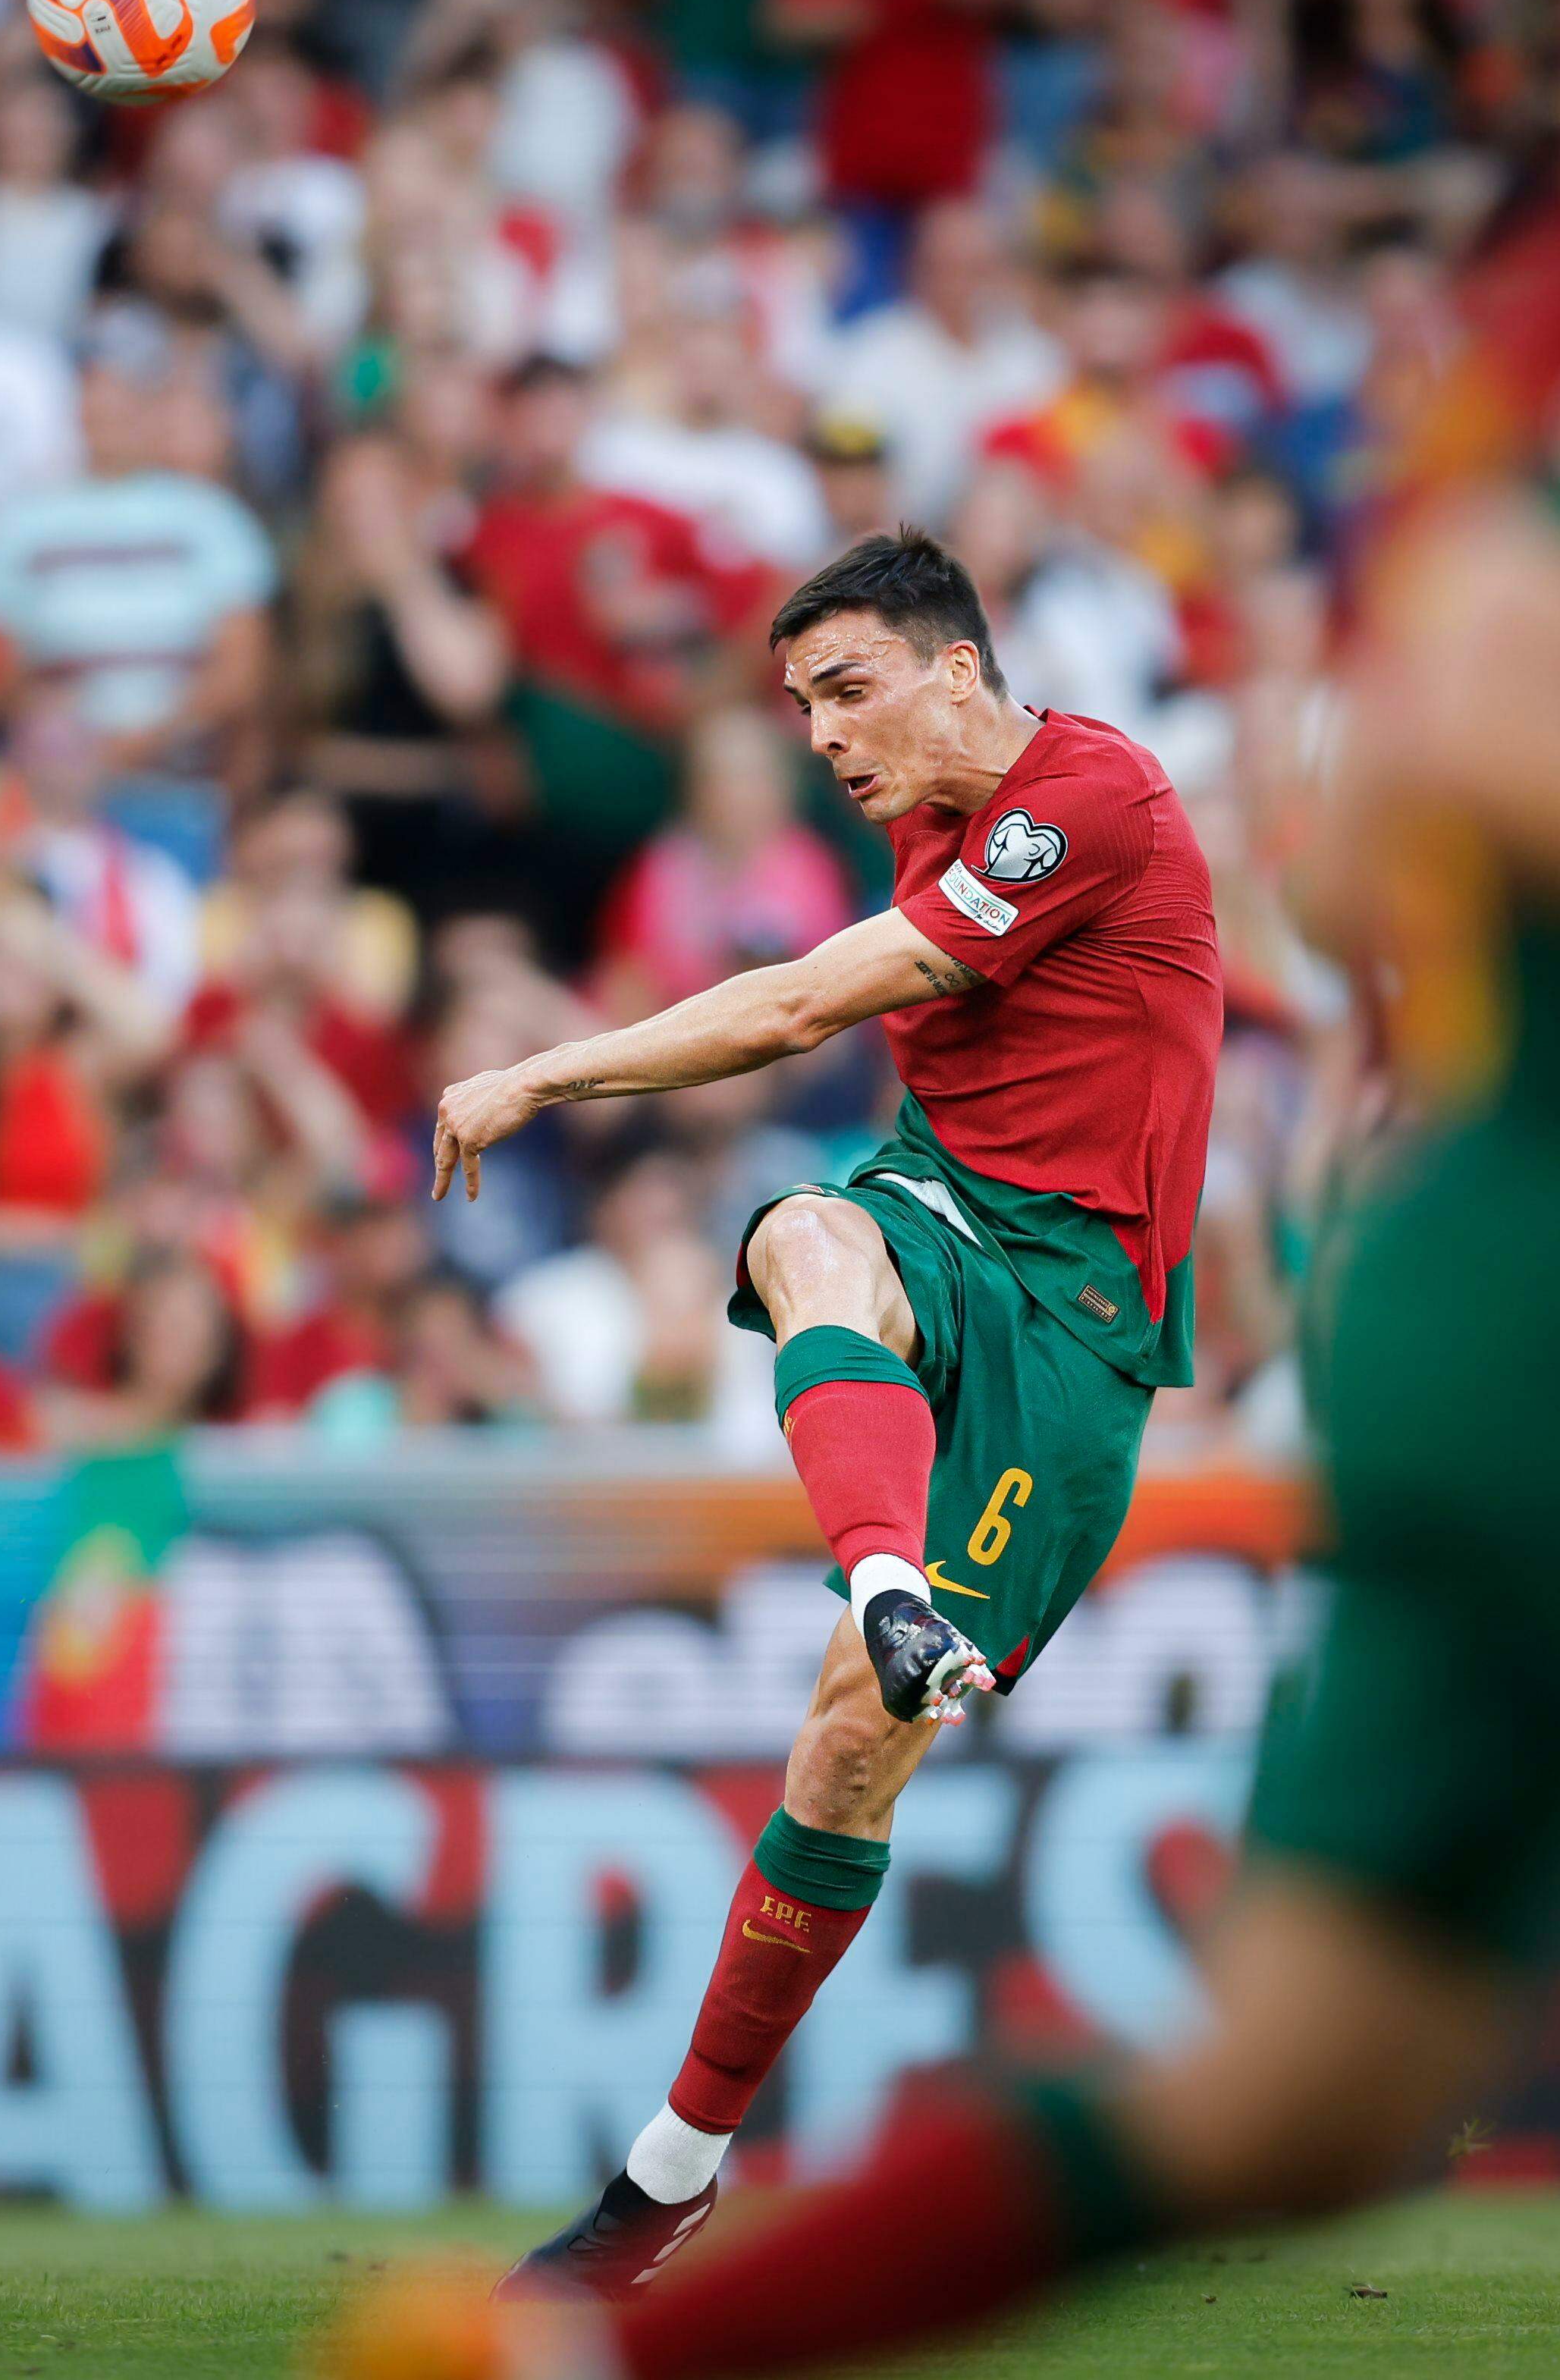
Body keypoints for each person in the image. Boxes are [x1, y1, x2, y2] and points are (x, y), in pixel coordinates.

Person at [330, 0, 1560, 2379]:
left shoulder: (1516, 353)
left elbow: (1365, 800)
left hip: (1315, 1302)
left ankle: (566, 2341)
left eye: (853, 693)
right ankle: (847, 1648)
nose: (835, 741)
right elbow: (1490, 710)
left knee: (1296, 2090)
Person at [428, 526, 1224, 2294]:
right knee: (797, 1229)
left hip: (1079, 1325)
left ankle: (664, 2179)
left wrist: (541, 1070)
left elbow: (796, 1005)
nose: (821, 739)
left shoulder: (1083, 799)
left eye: (846, 691)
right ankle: (882, 1577)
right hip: (939, 1217)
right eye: (798, 706)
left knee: (844, 1754)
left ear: (959, 671)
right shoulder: (921, 822)